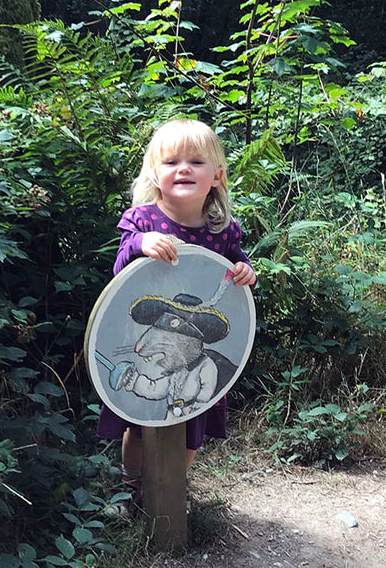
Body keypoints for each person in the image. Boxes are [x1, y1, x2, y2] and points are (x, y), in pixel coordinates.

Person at [96, 118, 257, 502]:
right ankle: (132, 488)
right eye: (171, 162)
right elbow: (120, 272)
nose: (183, 168)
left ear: (216, 175)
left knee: (191, 420)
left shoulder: (223, 230)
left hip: (193, 351)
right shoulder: (143, 221)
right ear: (155, 172)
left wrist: (246, 272)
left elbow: (236, 271)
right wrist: (140, 244)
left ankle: (167, 488)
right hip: (147, 342)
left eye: (196, 162)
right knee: (139, 422)